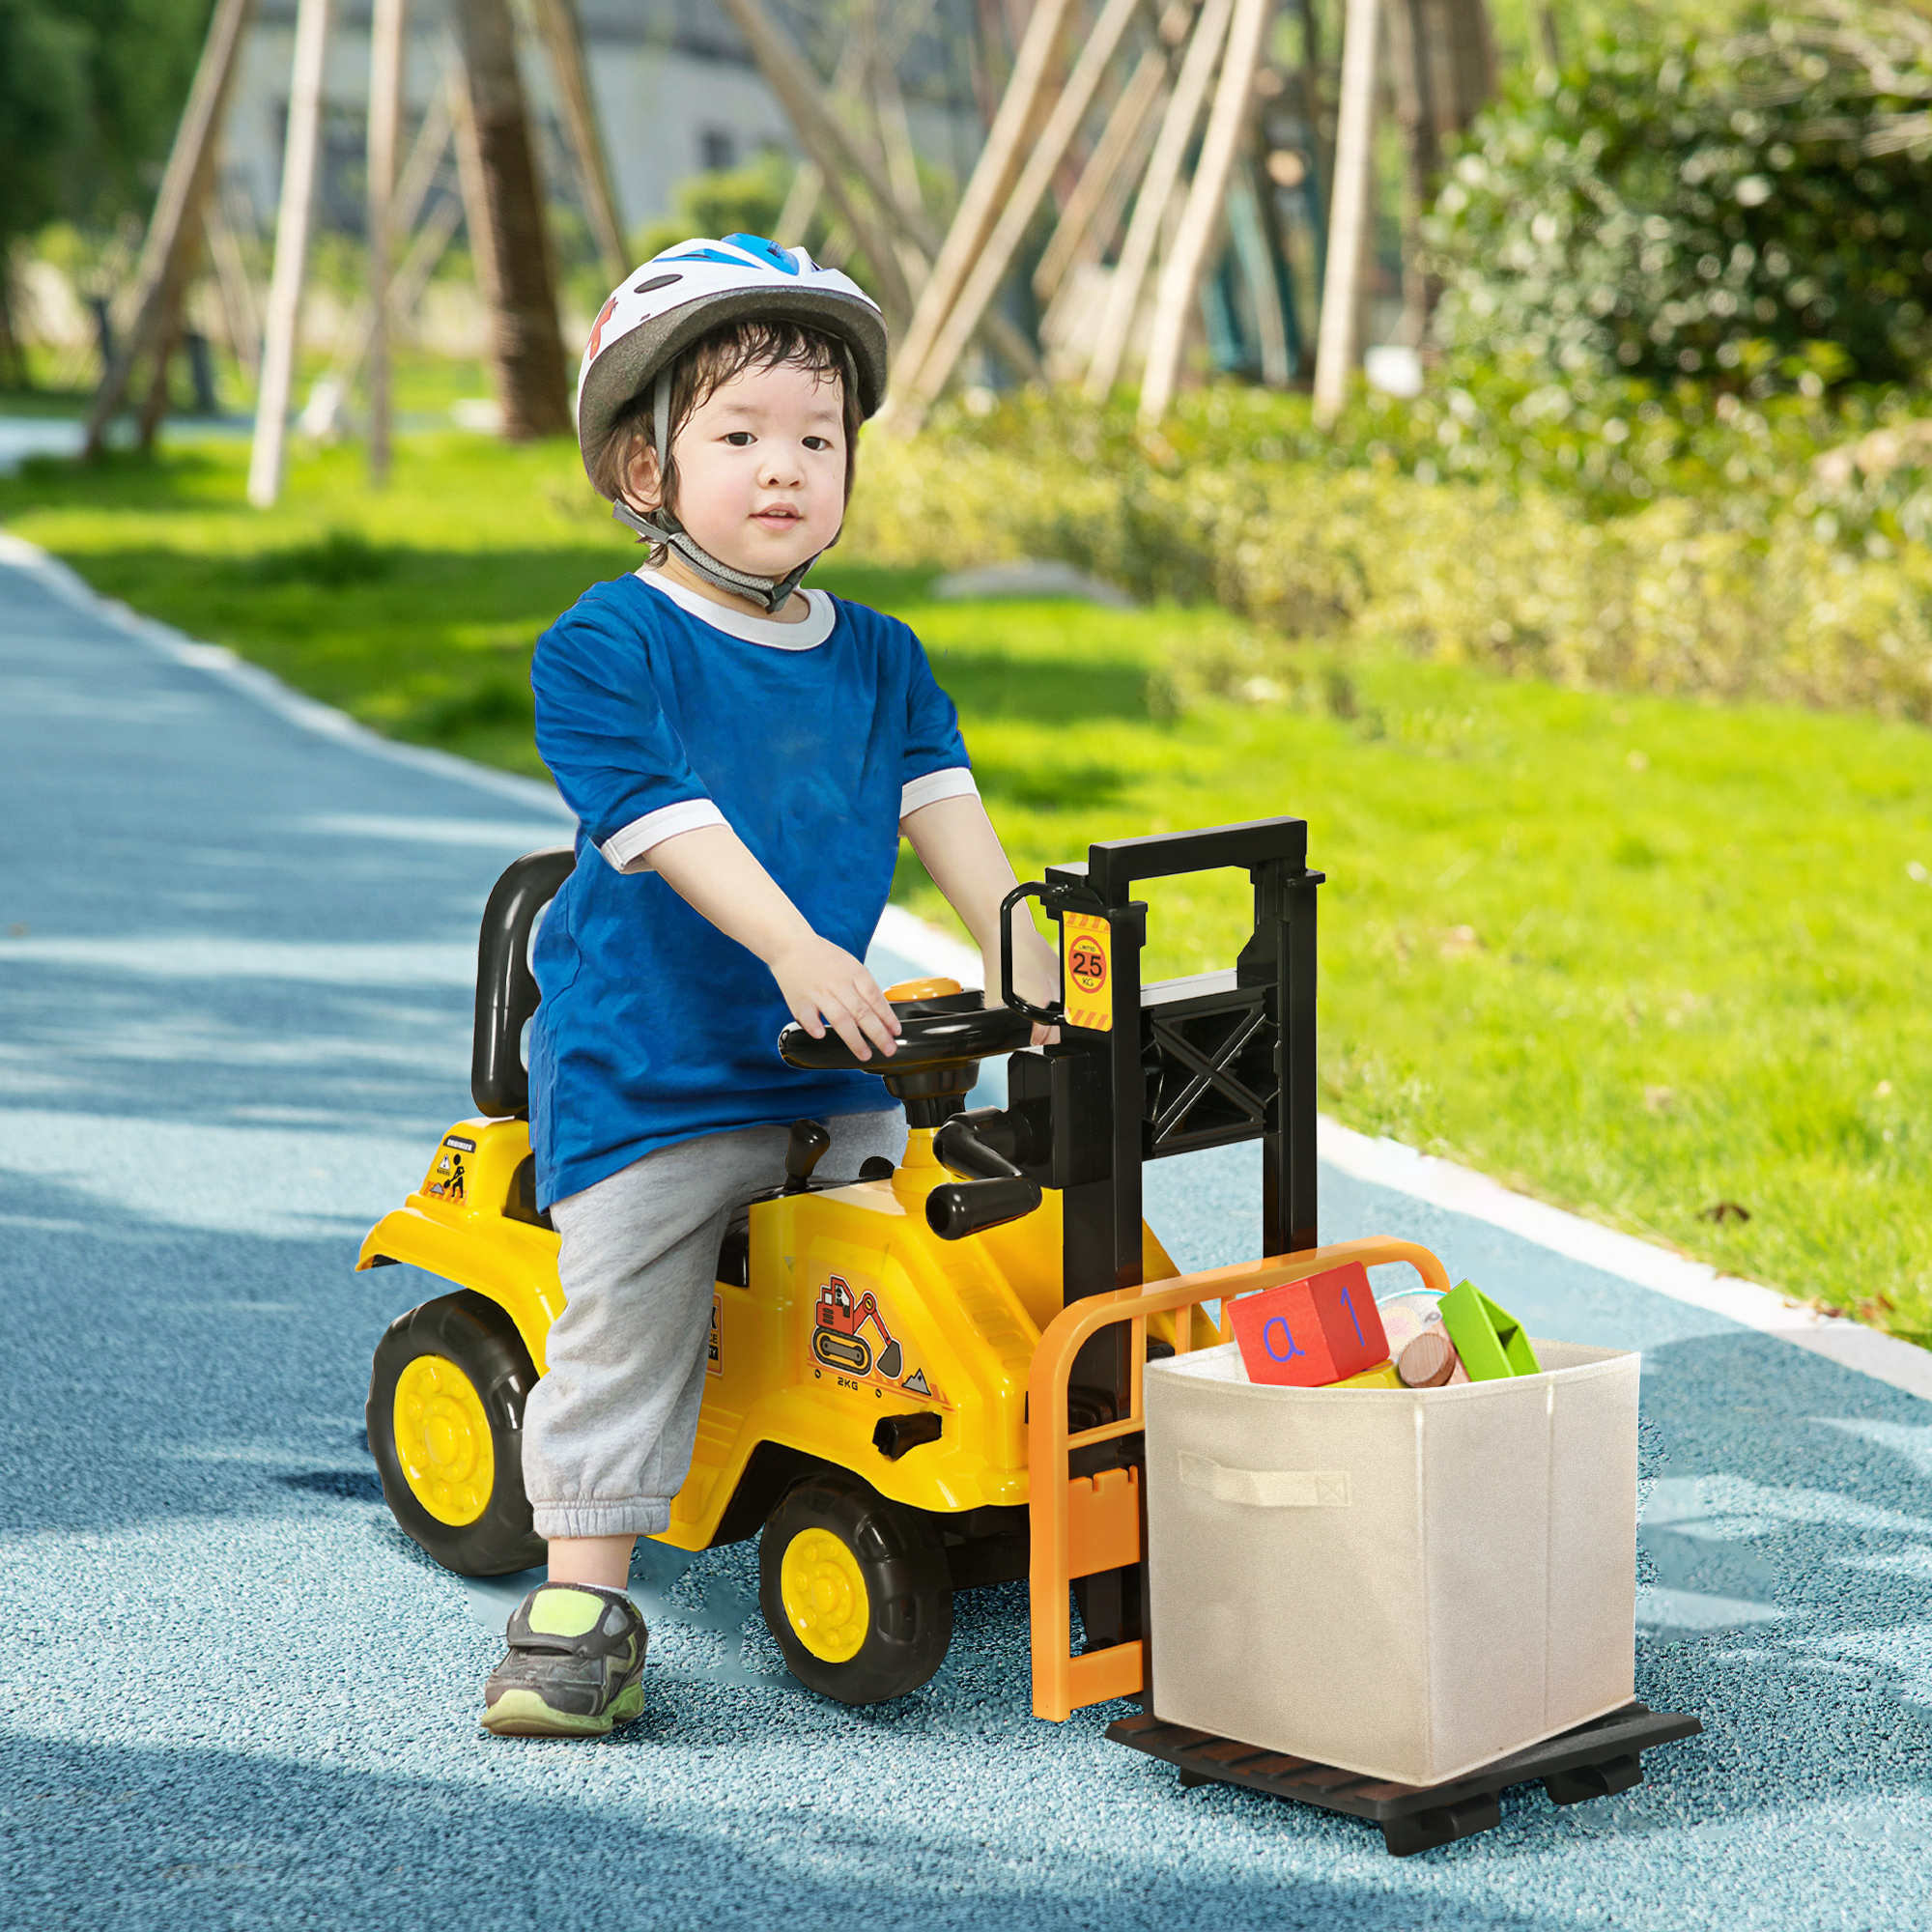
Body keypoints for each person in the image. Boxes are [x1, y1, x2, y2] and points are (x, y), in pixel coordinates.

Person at [481, 234, 1059, 1737]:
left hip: (830, 1071)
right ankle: (578, 1604)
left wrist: (1030, 952)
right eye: (738, 436)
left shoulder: (882, 658)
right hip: (655, 1075)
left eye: (818, 437)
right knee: (631, 1311)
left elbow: (952, 824)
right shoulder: (605, 646)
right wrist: (798, 945)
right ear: (647, 468)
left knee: (944, 1261)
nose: (785, 466)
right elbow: (670, 822)